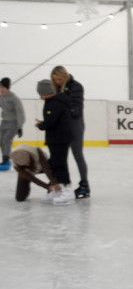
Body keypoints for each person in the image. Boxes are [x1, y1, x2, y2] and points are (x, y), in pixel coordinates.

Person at [33, 79, 76, 205]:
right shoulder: (54, 101)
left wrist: (41, 125)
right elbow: (53, 120)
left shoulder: (54, 103)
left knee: (60, 164)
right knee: (56, 163)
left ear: (46, 92)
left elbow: (50, 122)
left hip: (60, 138)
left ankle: (67, 191)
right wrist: (44, 123)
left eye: (41, 94)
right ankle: (59, 189)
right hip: (57, 138)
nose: (40, 97)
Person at [50, 66, 89, 199]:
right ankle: (62, 183)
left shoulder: (76, 87)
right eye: (55, 80)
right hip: (62, 127)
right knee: (60, 156)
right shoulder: (55, 88)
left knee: (77, 154)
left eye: (60, 79)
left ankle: (84, 184)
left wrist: (62, 113)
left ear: (65, 77)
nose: (58, 82)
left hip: (75, 125)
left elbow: (76, 108)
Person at [0, 77, 25, 171]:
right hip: (4, 121)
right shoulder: (1, 96)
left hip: (13, 122)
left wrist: (20, 127)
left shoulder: (14, 98)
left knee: (6, 140)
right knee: (1, 140)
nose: (0, 89)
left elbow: (20, 113)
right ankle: (5, 159)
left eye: (2, 87)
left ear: (7, 87)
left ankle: (6, 160)